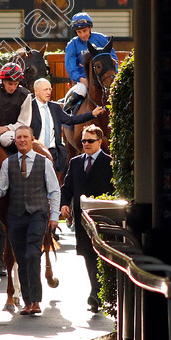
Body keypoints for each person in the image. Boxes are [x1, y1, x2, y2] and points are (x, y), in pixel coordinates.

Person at [0, 126, 61, 316]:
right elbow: (0, 187)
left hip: (37, 215)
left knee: (33, 254)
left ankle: (36, 300)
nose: (22, 140)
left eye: (25, 137)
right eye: (18, 138)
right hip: (15, 216)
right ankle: (28, 301)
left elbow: (54, 190)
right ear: (14, 141)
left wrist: (55, 217)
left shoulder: (44, 162)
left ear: (32, 139)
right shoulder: (8, 164)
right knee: (21, 258)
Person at [60, 125, 114, 313]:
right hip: (81, 220)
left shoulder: (109, 163)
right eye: (83, 141)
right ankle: (96, 292)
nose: (86, 144)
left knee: (101, 256)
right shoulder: (75, 163)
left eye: (90, 141)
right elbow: (67, 188)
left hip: (102, 220)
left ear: (100, 141)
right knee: (88, 256)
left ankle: (98, 294)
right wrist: (64, 204)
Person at [30, 78, 104, 173]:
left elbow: (71, 119)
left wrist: (92, 114)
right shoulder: (29, 107)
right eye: (45, 90)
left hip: (54, 152)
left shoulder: (55, 107)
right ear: (36, 91)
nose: (49, 92)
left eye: (50, 89)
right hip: (36, 151)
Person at [62, 12, 119, 114]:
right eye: (79, 32)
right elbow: (71, 67)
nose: (83, 34)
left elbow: (113, 59)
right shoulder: (72, 45)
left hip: (104, 77)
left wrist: (114, 75)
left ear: (90, 28)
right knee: (81, 90)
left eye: (85, 31)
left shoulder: (102, 39)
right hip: (84, 80)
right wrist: (81, 79)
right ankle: (67, 115)